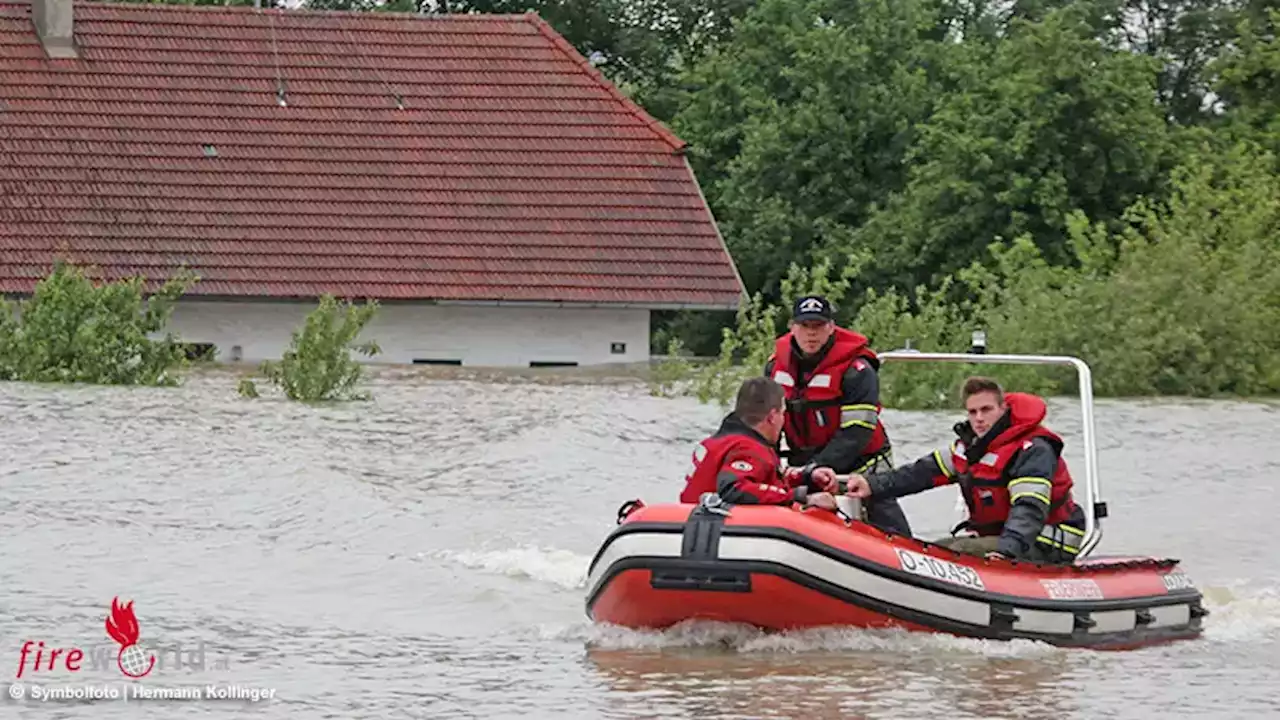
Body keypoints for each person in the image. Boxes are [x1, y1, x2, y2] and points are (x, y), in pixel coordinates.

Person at [844, 376, 1087, 563]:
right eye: (973, 412)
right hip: (1003, 537)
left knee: (951, 552)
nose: (979, 418)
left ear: (1003, 409)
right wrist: (871, 485)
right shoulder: (968, 448)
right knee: (932, 549)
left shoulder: (1032, 450)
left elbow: (1029, 509)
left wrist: (1007, 550)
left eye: (986, 410)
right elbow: (919, 474)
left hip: (1045, 540)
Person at [763, 294, 912, 536]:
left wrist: (816, 470)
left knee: (890, 530)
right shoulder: (775, 367)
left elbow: (856, 433)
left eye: (819, 326)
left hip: (861, 465)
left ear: (831, 328)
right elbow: (766, 425)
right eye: (805, 326)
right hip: (804, 464)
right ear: (792, 328)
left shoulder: (857, 370)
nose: (811, 333)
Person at [680, 376, 842, 509]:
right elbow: (734, 488)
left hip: (689, 526)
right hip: (722, 532)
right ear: (772, 417)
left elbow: (761, 476)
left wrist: (807, 476)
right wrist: (802, 497)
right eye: (783, 413)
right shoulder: (748, 448)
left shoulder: (720, 441)